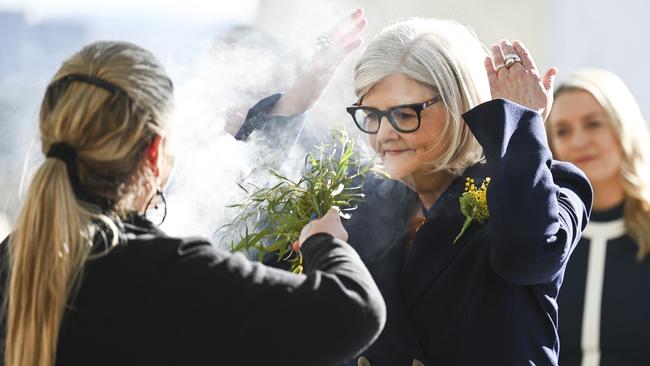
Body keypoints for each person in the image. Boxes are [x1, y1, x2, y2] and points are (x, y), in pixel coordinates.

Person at [0, 41, 386, 366]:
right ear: (155, 151)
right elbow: (354, 312)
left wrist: (285, 111)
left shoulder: (15, 255)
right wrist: (325, 243)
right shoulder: (168, 274)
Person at [241, 17, 593, 365]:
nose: (384, 134)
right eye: (371, 115)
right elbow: (258, 237)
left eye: (405, 113)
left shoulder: (550, 185)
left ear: (459, 105)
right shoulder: (355, 199)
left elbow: (526, 256)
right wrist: (294, 105)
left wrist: (519, 121)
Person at [547, 68, 650, 365]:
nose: (578, 141)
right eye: (563, 130)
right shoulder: (544, 236)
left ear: (623, 129)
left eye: (593, 124)